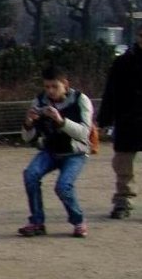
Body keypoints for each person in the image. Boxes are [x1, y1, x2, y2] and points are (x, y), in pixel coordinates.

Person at [19, 64, 94, 238]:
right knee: (30, 174)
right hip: (51, 150)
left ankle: (78, 221)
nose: (50, 91)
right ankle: (37, 222)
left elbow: (84, 133)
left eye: (55, 86)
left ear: (65, 85)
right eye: (46, 87)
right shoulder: (39, 101)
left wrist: (61, 121)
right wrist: (29, 123)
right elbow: (26, 138)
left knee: (63, 186)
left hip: (75, 153)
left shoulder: (80, 100)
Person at [97, 25, 142, 219]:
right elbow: (111, 91)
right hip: (128, 117)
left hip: (130, 117)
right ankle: (123, 200)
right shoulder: (123, 62)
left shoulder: (124, 61)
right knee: (123, 165)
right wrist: (105, 120)